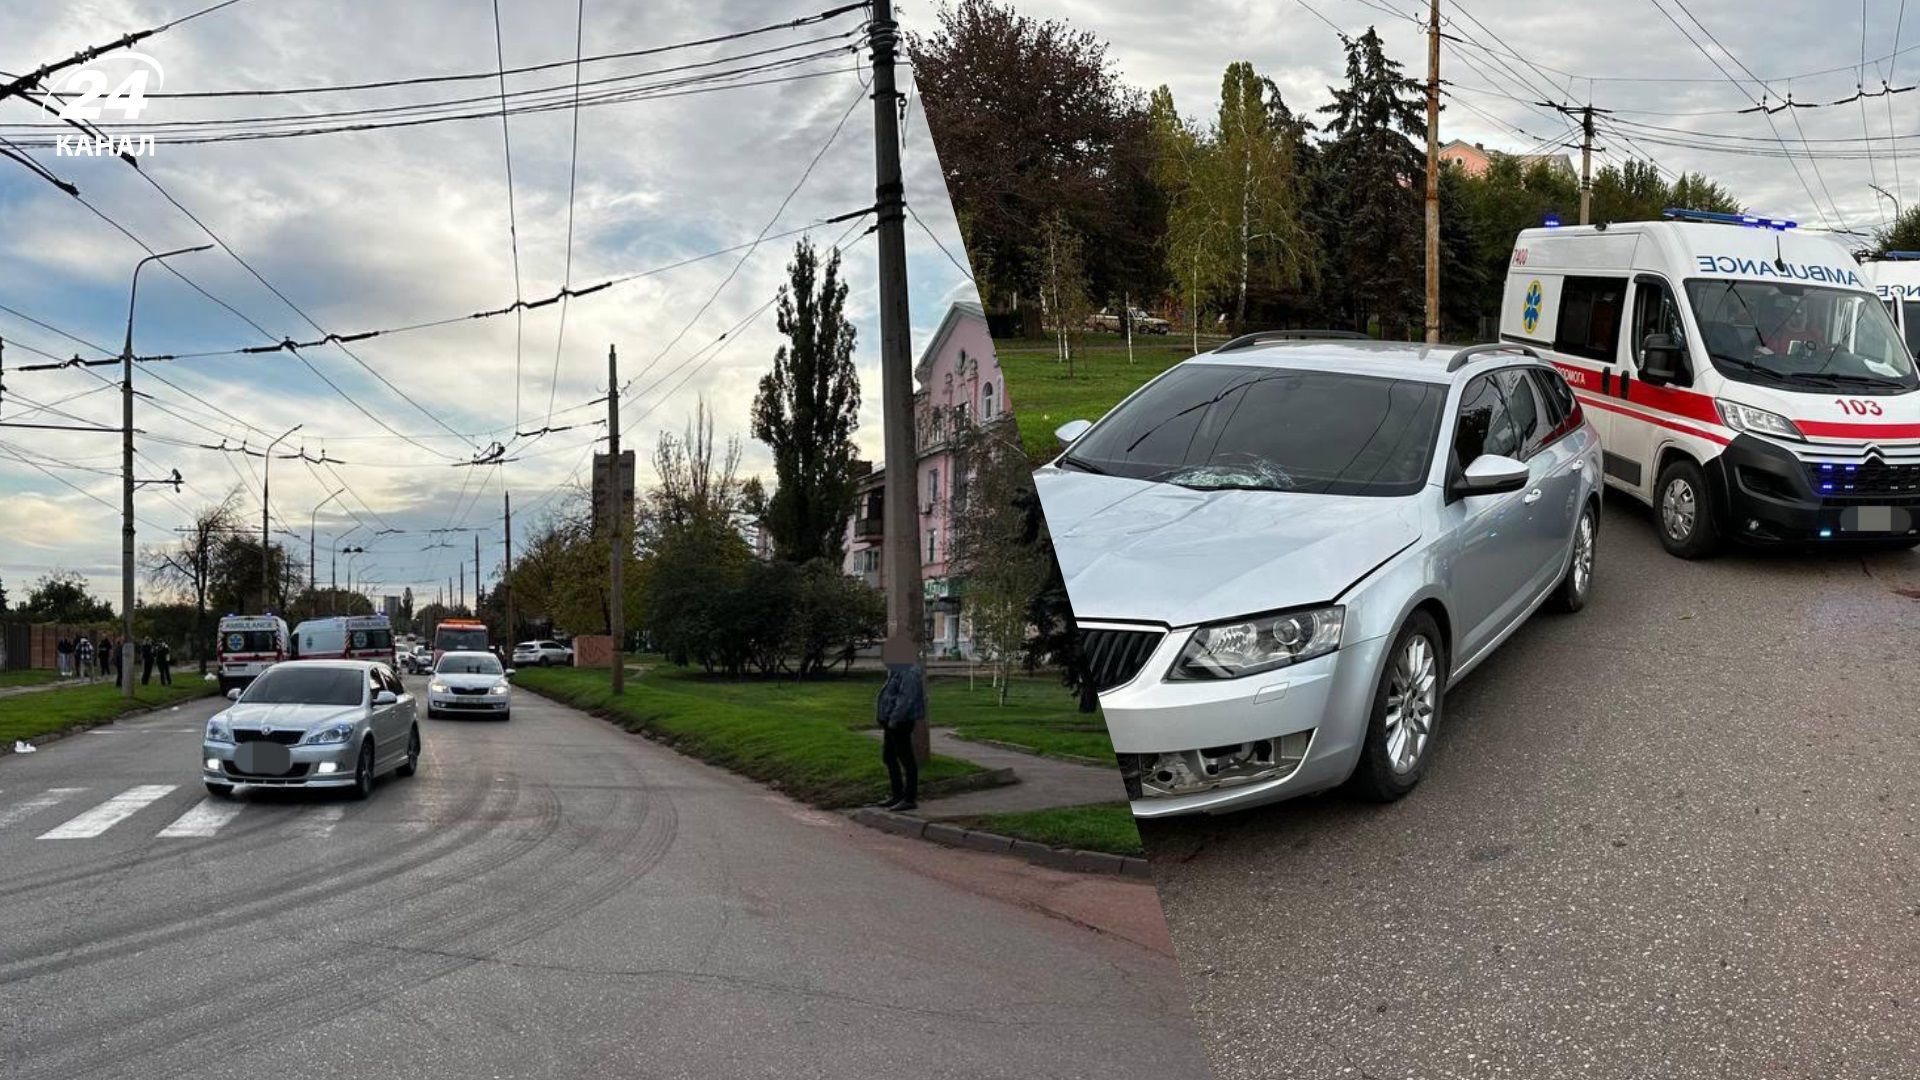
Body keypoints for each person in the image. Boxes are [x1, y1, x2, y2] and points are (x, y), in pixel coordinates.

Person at [874, 642, 926, 812]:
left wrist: (894, 718)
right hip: (891, 721)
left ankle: (909, 798)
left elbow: (905, 699)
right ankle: (897, 794)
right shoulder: (898, 670)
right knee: (889, 757)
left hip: (900, 722)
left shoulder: (909, 672)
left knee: (906, 759)